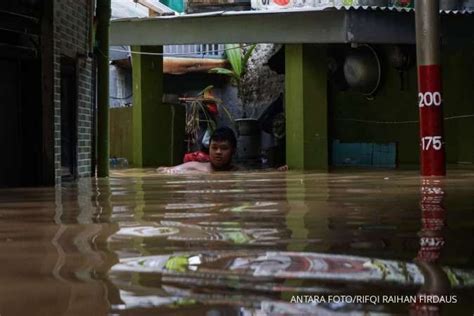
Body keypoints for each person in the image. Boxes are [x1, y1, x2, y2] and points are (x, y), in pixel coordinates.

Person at [157, 127, 239, 174]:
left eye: (224, 148)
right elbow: (161, 170)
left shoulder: (239, 172)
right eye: (214, 148)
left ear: (233, 151)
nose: (218, 152)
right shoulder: (193, 167)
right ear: (209, 148)